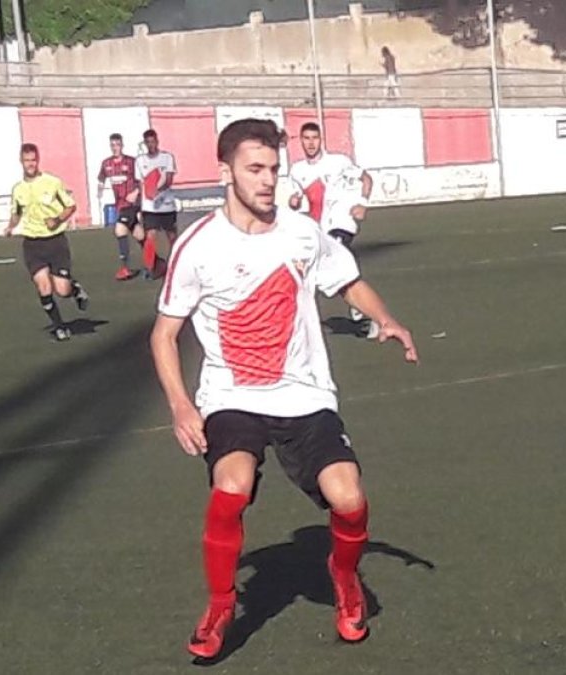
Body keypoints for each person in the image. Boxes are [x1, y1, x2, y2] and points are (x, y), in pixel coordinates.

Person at [150, 118, 419, 660]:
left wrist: (385, 317)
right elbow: (164, 335)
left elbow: (346, 280)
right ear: (225, 172)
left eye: (274, 168)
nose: (268, 179)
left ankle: (344, 578)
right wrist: (182, 406)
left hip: (304, 393)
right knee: (231, 486)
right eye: (255, 168)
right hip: (232, 396)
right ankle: (223, 604)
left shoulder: (300, 230)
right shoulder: (197, 246)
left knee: (350, 498)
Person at [288, 122, 376, 335]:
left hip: (342, 222)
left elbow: (366, 179)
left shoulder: (338, 162)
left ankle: (369, 314)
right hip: (319, 228)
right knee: (326, 271)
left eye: (314, 138)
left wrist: (363, 203)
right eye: (306, 138)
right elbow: (297, 198)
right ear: (301, 141)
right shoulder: (297, 170)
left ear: (321, 140)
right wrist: (294, 201)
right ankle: (362, 309)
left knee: (333, 265)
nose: (310, 143)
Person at [3, 143, 90, 342]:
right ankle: (59, 327)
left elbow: (71, 206)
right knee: (43, 287)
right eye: (27, 161)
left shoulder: (52, 182)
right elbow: (16, 213)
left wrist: (57, 219)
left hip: (56, 243)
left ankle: (74, 288)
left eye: (33, 160)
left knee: (62, 290)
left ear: (38, 160)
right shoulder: (18, 190)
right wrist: (10, 227)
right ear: (21, 162)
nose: (30, 164)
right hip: (33, 245)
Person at [97, 133, 142, 280]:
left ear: (122, 145)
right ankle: (156, 263)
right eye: (113, 145)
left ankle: (125, 268)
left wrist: (136, 192)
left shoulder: (131, 162)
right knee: (139, 235)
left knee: (119, 230)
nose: (115, 148)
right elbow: (101, 177)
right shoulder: (106, 164)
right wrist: (100, 189)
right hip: (120, 205)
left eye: (117, 145)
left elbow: (143, 179)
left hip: (131, 204)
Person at [136, 128, 179, 279]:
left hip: (166, 204)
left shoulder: (167, 158)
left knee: (172, 236)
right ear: (145, 143)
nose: (150, 145)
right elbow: (141, 184)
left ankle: (176, 264)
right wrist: (140, 206)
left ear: (157, 141)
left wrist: (157, 190)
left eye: (153, 141)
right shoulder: (140, 161)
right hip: (150, 206)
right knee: (150, 236)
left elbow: (169, 180)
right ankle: (149, 268)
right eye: (148, 142)